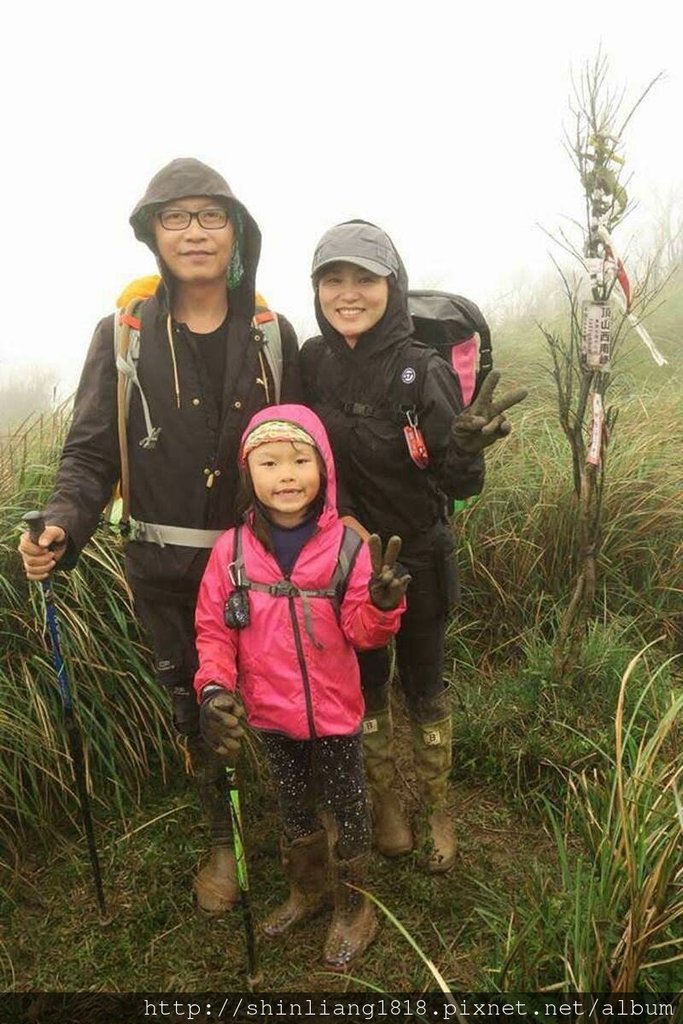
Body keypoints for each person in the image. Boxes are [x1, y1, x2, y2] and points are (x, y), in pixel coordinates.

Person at [17, 157, 302, 916]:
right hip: (162, 564)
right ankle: (221, 838)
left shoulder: (275, 336)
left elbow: (309, 445)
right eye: (175, 218)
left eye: (211, 216)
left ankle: (298, 828)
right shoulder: (122, 335)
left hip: (263, 561)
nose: (194, 232)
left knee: (273, 694)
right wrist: (60, 526)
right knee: (191, 704)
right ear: (152, 235)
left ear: (237, 232)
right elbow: (88, 453)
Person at [301, 220, 527, 873]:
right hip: (350, 563)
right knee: (367, 688)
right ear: (315, 289)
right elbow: (299, 449)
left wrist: (467, 448)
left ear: (390, 286)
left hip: (422, 556)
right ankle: (384, 807)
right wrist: (339, 518)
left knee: (424, 686)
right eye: (332, 280)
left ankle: (437, 809)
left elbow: (457, 482)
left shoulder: (418, 368)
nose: (348, 293)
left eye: (364, 280)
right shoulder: (312, 363)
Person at [193, 403, 408, 968]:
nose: (286, 475)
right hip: (268, 715)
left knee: (348, 806)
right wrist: (214, 690)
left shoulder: (346, 547)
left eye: (299, 460)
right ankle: (308, 891)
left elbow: (364, 632)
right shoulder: (230, 555)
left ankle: (355, 906)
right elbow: (214, 631)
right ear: (248, 473)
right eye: (268, 462)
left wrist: (384, 606)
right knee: (294, 808)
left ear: (324, 470)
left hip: (336, 714)